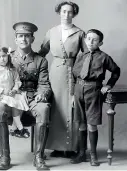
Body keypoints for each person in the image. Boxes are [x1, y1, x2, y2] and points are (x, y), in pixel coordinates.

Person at [0, 22, 52, 170]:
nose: (23, 39)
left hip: (32, 97)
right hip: (10, 98)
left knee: (44, 109)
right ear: (15, 39)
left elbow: (44, 83)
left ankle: (39, 157)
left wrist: (42, 94)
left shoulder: (40, 60)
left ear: (32, 39)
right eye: (20, 36)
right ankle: (4, 157)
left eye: (27, 36)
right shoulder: (5, 57)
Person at [38, 1, 87, 158]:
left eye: (70, 12)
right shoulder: (52, 32)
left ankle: (71, 147)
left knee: (71, 108)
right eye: (64, 11)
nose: (67, 15)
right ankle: (56, 147)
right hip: (55, 73)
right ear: (59, 12)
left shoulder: (80, 33)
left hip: (73, 72)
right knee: (55, 107)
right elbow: (42, 52)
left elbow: (87, 55)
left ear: (74, 14)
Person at [71, 29, 120, 166]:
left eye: (95, 40)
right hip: (78, 90)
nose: (91, 42)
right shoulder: (81, 55)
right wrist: (73, 93)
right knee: (80, 122)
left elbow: (116, 71)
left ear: (101, 42)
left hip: (94, 90)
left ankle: (93, 155)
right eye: (88, 38)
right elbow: (74, 75)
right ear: (85, 40)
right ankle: (82, 153)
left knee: (91, 123)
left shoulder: (104, 57)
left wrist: (109, 85)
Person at [0, 46, 30, 139]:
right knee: (14, 103)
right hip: (1, 95)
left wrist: (14, 89)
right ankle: (20, 128)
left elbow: (17, 81)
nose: (2, 59)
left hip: (12, 93)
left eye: (4, 56)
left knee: (21, 99)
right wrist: (3, 91)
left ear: (8, 56)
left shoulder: (12, 69)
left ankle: (15, 128)